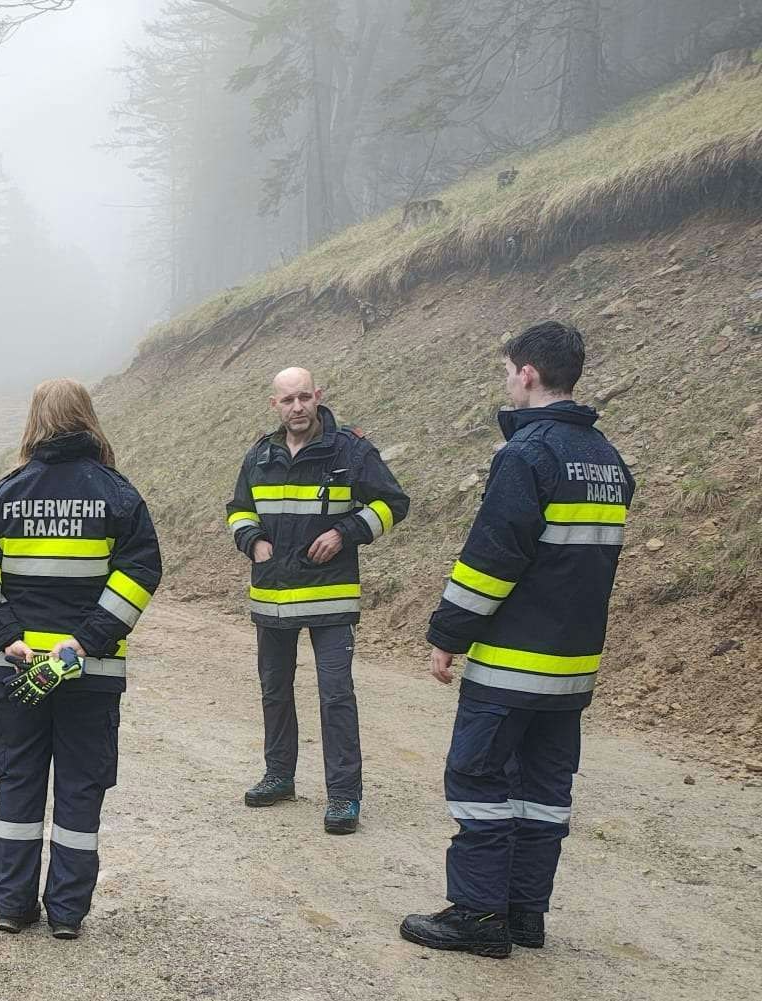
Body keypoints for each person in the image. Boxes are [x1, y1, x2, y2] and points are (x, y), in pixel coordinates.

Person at [402, 322, 632, 958]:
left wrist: (448, 633)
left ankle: (479, 915)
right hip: (572, 667)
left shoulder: (527, 455)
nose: (507, 383)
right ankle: (524, 913)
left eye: (508, 372)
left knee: (479, 777)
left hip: (511, 663)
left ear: (527, 373)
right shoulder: (607, 459)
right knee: (543, 792)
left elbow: (491, 560)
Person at [0, 379, 162, 939]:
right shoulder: (118, 494)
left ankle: (12, 906)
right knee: (79, 790)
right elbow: (140, 573)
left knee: (18, 784)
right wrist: (87, 642)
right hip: (90, 674)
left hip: (19, 673)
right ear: (87, 417)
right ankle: (67, 913)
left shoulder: (4, 493)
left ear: (35, 420)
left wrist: (5, 636)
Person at [226, 367, 409, 835]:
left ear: (318, 396)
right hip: (272, 596)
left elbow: (393, 502)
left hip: (330, 597)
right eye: (288, 400)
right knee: (274, 690)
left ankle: (344, 796)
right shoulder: (259, 455)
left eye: (304, 397)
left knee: (336, 695)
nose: (298, 407)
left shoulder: (351, 450)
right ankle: (279, 776)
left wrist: (345, 532)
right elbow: (238, 509)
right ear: (274, 405)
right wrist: (252, 540)